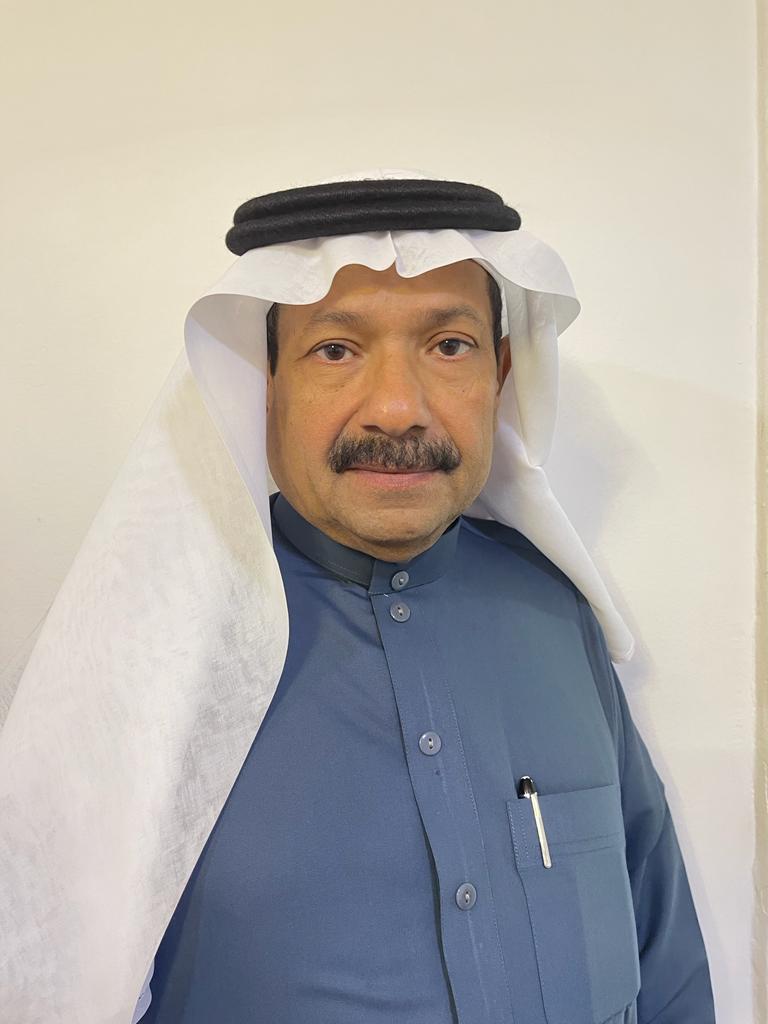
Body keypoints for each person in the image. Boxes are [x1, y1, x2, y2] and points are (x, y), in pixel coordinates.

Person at [0, 169, 715, 1024]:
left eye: (449, 345)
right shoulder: (146, 653)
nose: (398, 408)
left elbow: (666, 963)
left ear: (500, 373)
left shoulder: (557, 618)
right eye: (336, 350)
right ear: (265, 382)